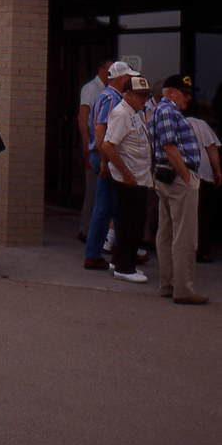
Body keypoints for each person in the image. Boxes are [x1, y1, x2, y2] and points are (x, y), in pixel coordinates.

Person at [149, 74, 208, 305]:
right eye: (185, 92)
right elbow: (169, 145)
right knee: (185, 236)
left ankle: (169, 284)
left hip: (167, 177)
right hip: (177, 179)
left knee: (166, 232)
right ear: (170, 92)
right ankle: (183, 289)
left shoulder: (161, 111)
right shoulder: (167, 111)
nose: (189, 97)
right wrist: (186, 176)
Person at [83, 61, 138, 269]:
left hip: (102, 155)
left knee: (113, 205)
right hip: (104, 155)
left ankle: (119, 249)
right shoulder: (111, 98)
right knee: (106, 206)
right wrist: (106, 161)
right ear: (121, 78)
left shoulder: (104, 96)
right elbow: (100, 131)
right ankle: (94, 253)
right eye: (128, 77)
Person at [101, 75, 153, 283]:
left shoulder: (135, 114)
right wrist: (126, 173)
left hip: (139, 177)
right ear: (128, 94)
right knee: (132, 223)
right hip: (130, 180)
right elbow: (107, 145)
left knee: (132, 222)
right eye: (140, 95)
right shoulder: (122, 113)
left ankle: (120, 260)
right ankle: (125, 267)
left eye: (146, 95)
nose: (144, 99)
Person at [77, 57, 113, 241]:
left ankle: (96, 230)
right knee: (93, 191)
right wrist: (86, 142)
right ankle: (85, 230)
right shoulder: (92, 89)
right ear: (101, 70)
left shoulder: (109, 92)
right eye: (109, 70)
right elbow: (83, 116)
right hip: (94, 147)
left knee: (100, 192)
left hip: (103, 147)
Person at [186, 115, 221, 263]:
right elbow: (211, 148)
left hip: (185, 175)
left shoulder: (173, 120)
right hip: (204, 175)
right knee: (204, 215)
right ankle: (203, 251)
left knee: (186, 215)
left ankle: (186, 250)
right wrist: (217, 170)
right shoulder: (201, 124)